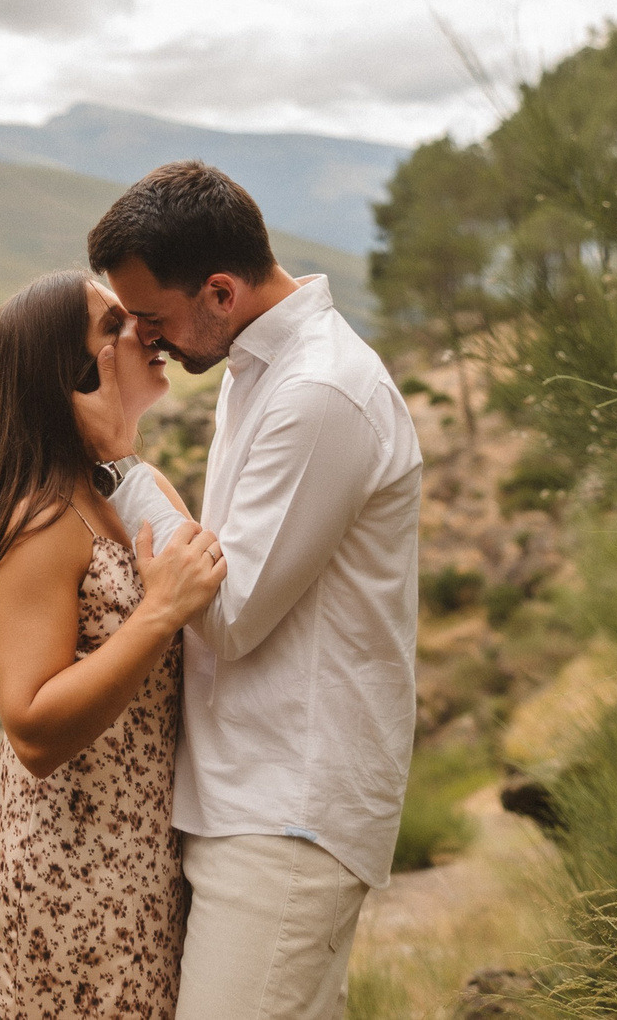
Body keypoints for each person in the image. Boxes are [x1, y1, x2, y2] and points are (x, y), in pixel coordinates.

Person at [84, 161, 422, 1020]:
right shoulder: (258, 370)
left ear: (222, 292)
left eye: (154, 318)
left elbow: (225, 612)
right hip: (248, 794)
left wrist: (121, 470)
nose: (146, 341)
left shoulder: (317, 392)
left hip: (289, 807)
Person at [0, 269, 229, 1020]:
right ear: (75, 373)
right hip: (66, 881)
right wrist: (155, 617)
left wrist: (121, 457)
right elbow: (32, 727)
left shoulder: (136, 490)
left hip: (140, 870)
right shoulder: (43, 521)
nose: (146, 329)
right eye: (115, 323)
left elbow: (211, 587)